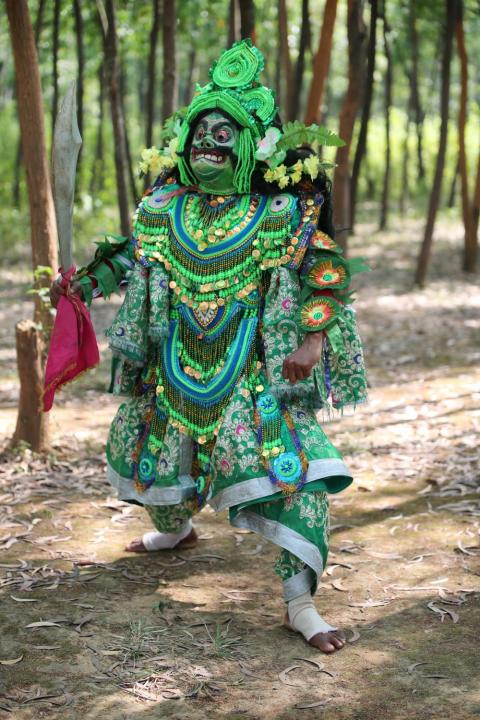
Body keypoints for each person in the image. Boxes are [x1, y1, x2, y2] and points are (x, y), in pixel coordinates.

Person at [50, 40, 367, 653]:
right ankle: (176, 530)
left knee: (296, 474)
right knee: (152, 453)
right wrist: (81, 284)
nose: (207, 144)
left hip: (253, 374)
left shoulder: (281, 210)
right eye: (200, 133)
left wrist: (311, 336)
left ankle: (299, 602)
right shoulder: (165, 206)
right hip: (172, 370)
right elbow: (127, 257)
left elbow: (325, 273)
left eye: (225, 134)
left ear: (252, 145)